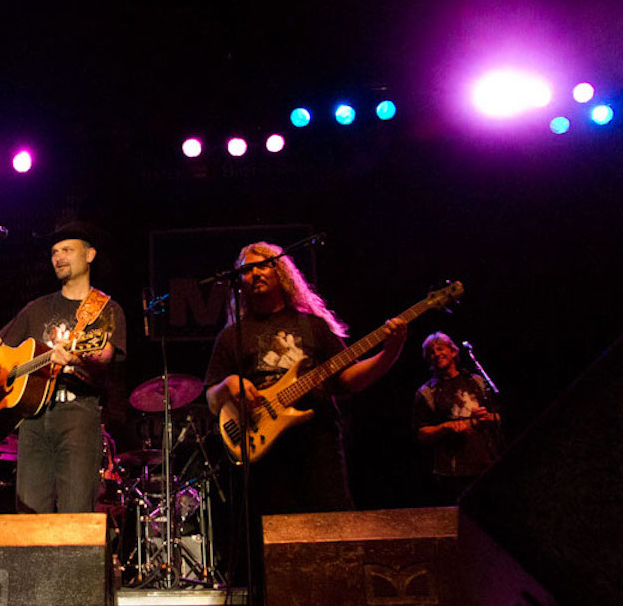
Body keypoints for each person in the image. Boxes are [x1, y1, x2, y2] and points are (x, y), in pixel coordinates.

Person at [203, 242, 406, 600]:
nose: (255, 274)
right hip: (266, 454)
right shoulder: (232, 335)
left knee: (336, 529)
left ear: (281, 273)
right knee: (277, 545)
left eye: (264, 266)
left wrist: (390, 352)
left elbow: (348, 379)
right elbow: (211, 397)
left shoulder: (312, 327)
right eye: (247, 270)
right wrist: (229, 384)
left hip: (319, 444)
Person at [0, 224, 126, 513]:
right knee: (29, 516)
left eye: (67, 250)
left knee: (75, 515)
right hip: (32, 420)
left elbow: (103, 355)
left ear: (90, 254)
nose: (58, 257)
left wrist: (76, 358)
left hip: (78, 416)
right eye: (54, 252)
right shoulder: (36, 308)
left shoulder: (106, 308)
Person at [412, 332, 501, 504]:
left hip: (487, 465)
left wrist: (487, 418)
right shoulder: (426, 393)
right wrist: (445, 427)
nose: (436, 354)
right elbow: (421, 434)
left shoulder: (476, 381)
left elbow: (499, 418)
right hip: (452, 475)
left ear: (453, 352)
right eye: (431, 352)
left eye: (440, 348)